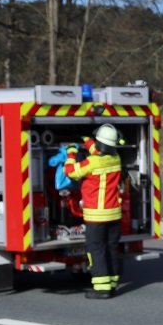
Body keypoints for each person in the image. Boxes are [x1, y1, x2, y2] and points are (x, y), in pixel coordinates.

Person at [64, 123, 125, 299]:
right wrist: (87, 140)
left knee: (96, 250)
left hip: (96, 217)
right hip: (114, 214)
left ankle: (101, 288)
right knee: (111, 248)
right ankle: (112, 282)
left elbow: (71, 171)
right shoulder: (116, 159)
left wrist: (71, 153)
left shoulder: (92, 163)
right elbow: (97, 151)